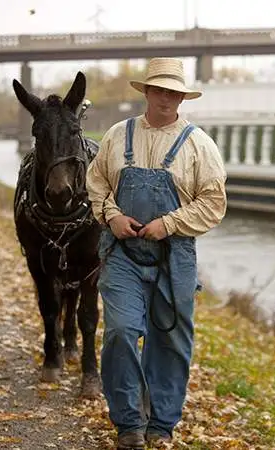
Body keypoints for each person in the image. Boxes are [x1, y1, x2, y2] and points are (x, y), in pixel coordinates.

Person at [86, 57, 227, 449]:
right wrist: (110, 215)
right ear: (146, 91)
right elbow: (95, 183)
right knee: (121, 332)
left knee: (172, 341)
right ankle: (129, 422)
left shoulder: (200, 145)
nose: (166, 97)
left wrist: (168, 224)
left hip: (175, 256)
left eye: (173, 92)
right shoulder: (117, 135)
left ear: (182, 97)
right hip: (121, 254)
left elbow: (214, 203)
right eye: (159, 89)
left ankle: (161, 423)